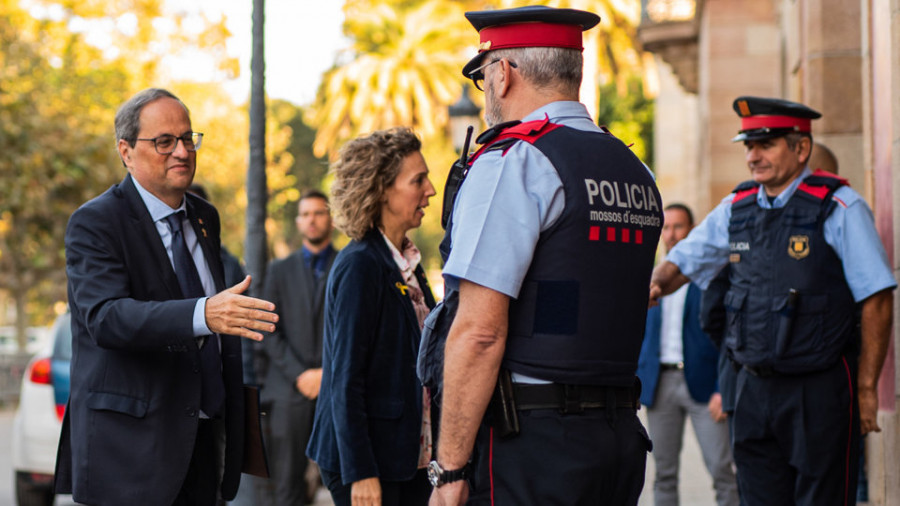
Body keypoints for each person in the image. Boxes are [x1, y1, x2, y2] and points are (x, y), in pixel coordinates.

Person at [425, 6, 663, 505]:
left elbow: (480, 331)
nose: (486, 89)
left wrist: (447, 474)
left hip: (534, 445)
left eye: (484, 75)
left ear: (504, 73)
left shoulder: (515, 162)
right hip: (618, 438)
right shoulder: (633, 167)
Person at [649, 96, 896, 505]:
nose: (753, 156)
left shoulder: (839, 208)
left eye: (766, 144)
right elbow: (681, 262)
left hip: (817, 389)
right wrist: (654, 285)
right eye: (748, 145)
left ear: (801, 148)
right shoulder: (736, 208)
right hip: (753, 390)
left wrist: (867, 388)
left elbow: (878, 298)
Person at [55, 88, 279, 505]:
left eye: (188, 138)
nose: (182, 151)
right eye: (164, 141)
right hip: (131, 453)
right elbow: (106, 317)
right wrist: (203, 314)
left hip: (204, 439)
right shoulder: (95, 222)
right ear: (126, 151)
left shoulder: (203, 216)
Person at [307, 127, 437, 506]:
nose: (430, 189)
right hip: (369, 463)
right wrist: (361, 471)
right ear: (382, 190)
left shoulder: (407, 261)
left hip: (405, 457)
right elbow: (344, 379)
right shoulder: (360, 265)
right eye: (418, 180)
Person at [637, 203, 738, 506]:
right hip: (660, 384)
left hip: (705, 387)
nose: (671, 234)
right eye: (666, 228)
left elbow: (729, 334)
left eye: (678, 227)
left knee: (722, 470)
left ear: (692, 231)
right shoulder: (648, 278)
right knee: (664, 473)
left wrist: (724, 389)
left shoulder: (710, 277)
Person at [259, 188, 337, 505]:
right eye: (305, 214)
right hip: (290, 390)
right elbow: (268, 330)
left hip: (335, 389)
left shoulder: (349, 263)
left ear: (330, 218)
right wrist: (301, 375)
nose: (312, 220)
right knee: (287, 487)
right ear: (298, 221)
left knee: (344, 480)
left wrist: (325, 375)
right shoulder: (279, 269)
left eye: (318, 212)